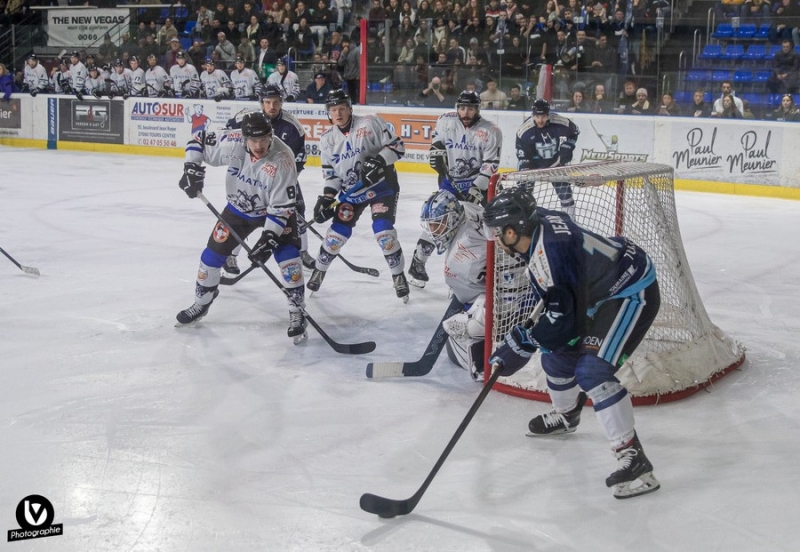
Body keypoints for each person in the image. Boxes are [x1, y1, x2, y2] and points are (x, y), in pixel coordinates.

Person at [483, 186, 661, 499]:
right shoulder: (539, 226)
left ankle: (633, 458)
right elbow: (560, 300)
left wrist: (524, 344)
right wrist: (534, 338)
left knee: (591, 371)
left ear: (512, 231)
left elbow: (564, 319)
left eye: (498, 232)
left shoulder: (549, 253)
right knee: (555, 355)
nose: (496, 239)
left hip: (630, 289)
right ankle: (567, 415)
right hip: (598, 292)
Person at [175, 111, 308, 343]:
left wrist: (268, 241)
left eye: (264, 139)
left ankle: (297, 310)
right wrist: (190, 169)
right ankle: (202, 302)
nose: (259, 145)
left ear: (271, 134)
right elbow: (197, 140)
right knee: (210, 258)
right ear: (244, 138)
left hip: (274, 212)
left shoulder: (284, 160)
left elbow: (280, 210)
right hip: (238, 208)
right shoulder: (232, 141)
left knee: (289, 261)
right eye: (253, 140)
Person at [307, 89, 409, 302]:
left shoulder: (370, 122)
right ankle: (319, 270)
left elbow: (398, 147)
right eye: (333, 110)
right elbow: (333, 176)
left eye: (342, 108)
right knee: (335, 236)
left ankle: (398, 275)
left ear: (350, 109)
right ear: (328, 113)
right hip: (352, 194)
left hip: (382, 188)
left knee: (384, 234)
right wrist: (327, 198)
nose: (338, 113)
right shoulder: (326, 140)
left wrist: (380, 160)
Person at [408, 90, 502, 288]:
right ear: (457, 108)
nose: (466, 112)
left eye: (470, 108)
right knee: (440, 220)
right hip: (450, 182)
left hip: (479, 185)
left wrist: (477, 188)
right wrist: (436, 154)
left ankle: (482, 267)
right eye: (462, 108)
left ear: (478, 109)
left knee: (483, 225)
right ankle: (418, 262)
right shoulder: (445, 121)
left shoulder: (491, 131)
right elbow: (436, 146)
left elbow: (490, 165)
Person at [224, 84, 315, 275]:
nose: (271, 106)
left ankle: (303, 251)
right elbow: (225, 136)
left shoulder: (293, 127)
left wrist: (282, 184)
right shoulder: (246, 118)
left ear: (281, 102)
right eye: (267, 102)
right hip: (251, 177)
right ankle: (231, 254)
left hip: (282, 178)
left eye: (275, 102)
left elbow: (299, 158)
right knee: (243, 211)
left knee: (297, 210)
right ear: (261, 103)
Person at [420, 189, 489, 380]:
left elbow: (465, 291)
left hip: (508, 291)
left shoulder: (460, 260)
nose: (433, 232)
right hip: (500, 268)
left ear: (451, 219)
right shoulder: (464, 208)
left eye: (437, 225)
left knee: (464, 326)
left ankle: (483, 358)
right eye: (431, 226)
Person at [515, 99, 579, 218]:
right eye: (537, 116)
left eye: (543, 116)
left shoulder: (560, 122)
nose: (540, 120)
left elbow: (575, 131)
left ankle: (572, 223)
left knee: (565, 194)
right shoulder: (525, 130)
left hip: (555, 164)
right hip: (532, 165)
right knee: (524, 196)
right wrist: (526, 165)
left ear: (548, 114)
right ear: (533, 115)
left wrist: (568, 145)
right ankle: (523, 222)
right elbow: (520, 150)